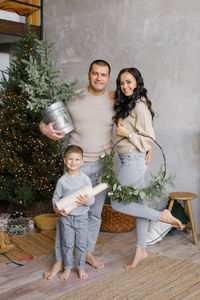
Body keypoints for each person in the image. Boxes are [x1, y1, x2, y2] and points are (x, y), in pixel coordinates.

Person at [40, 60, 152, 278]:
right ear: (89, 74)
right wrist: (45, 129)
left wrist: (150, 148)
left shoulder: (115, 100)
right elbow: (46, 116)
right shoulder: (73, 96)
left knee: (94, 214)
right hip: (76, 167)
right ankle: (60, 260)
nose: (99, 78)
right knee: (65, 213)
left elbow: (141, 122)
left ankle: (87, 253)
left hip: (103, 165)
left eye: (103, 75)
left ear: (109, 78)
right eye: (95, 74)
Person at [111, 67, 184, 269]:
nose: (125, 86)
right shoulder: (130, 102)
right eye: (121, 83)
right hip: (131, 159)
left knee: (117, 202)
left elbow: (149, 138)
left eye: (129, 82)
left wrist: (128, 135)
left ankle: (161, 217)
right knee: (139, 206)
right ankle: (141, 250)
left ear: (137, 82)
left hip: (133, 160)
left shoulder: (140, 105)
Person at [44, 145, 94, 280]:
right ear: (65, 161)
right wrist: (58, 209)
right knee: (67, 243)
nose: (74, 162)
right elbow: (56, 198)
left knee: (82, 244)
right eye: (70, 159)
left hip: (82, 218)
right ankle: (67, 268)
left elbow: (92, 197)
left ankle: (80, 267)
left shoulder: (85, 180)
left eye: (77, 159)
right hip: (66, 218)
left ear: (82, 161)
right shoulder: (62, 181)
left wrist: (86, 202)